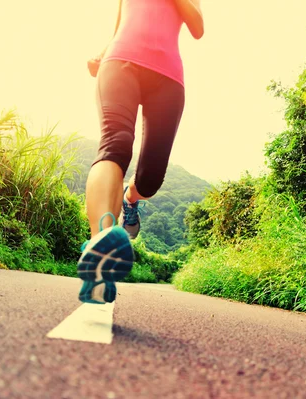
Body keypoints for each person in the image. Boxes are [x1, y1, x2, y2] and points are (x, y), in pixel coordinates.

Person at [77, 0, 204, 304]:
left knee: (151, 179)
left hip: (168, 77)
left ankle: (129, 198)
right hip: (121, 60)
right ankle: (100, 249)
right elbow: (123, 23)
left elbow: (197, 27)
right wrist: (104, 49)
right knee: (116, 144)